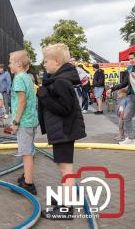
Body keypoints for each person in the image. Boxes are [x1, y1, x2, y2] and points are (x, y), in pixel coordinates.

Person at [38, 43, 86, 219]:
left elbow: (65, 109)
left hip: (64, 131)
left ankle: (66, 209)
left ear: (56, 61)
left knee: (66, 169)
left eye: (45, 61)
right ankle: (65, 201)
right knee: (64, 168)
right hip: (61, 131)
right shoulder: (58, 79)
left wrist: (44, 96)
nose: (43, 65)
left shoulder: (61, 82)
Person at [9, 50, 38, 195]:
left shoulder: (19, 78)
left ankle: (29, 184)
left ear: (18, 63)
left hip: (24, 122)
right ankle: (27, 176)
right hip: (31, 120)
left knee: (26, 153)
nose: (9, 65)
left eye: (10, 62)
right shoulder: (27, 76)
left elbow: (22, 100)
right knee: (29, 151)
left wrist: (15, 121)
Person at [106, 51, 135, 144]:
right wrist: (112, 88)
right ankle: (130, 138)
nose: (131, 61)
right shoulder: (130, 69)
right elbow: (124, 83)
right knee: (126, 116)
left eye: (132, 58)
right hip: (132, 97)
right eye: (129, 59)